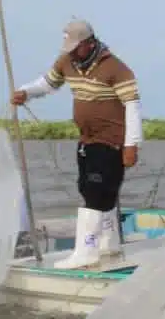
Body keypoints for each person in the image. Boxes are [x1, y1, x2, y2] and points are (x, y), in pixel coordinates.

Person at [10, 19, 143, 270]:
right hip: (87, 140)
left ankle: (86, 251)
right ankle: (108, 242)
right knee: (92, 189)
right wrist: (26, 92)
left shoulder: (116, 68)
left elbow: (132, 107)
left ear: (90, 43)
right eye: (68, 46)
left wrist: (131, 145)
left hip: (112, 141)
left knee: (96, 192)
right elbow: (47, 83)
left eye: (75, 46)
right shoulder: (67, 61)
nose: (70, 51)